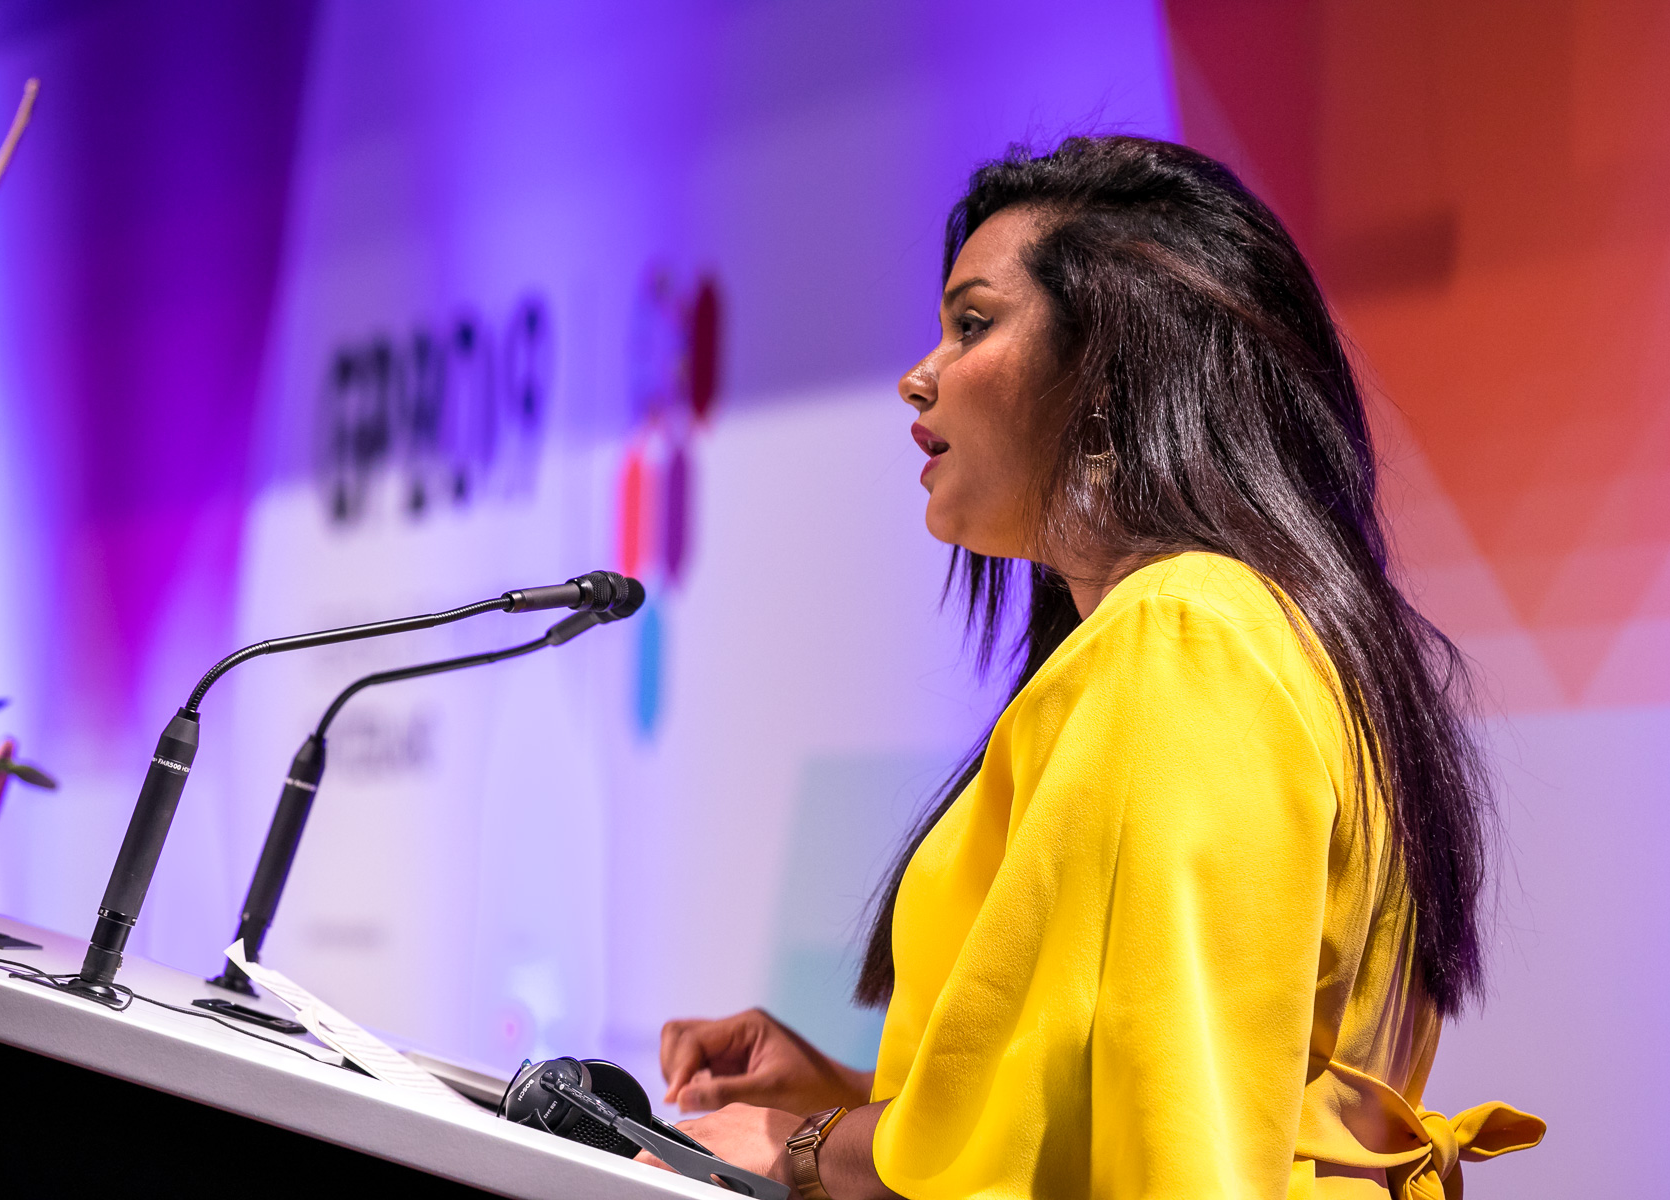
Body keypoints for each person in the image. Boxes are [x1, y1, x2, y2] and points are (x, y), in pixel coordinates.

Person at [647, 137, 1544, 1198]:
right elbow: (1116, 1082)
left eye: (972, 324)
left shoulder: (1188, 636)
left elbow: (1158, 1142)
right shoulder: (1249, 631)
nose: (918, 374)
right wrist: (840, 1094)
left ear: (1109, 371)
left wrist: (804, 1152)